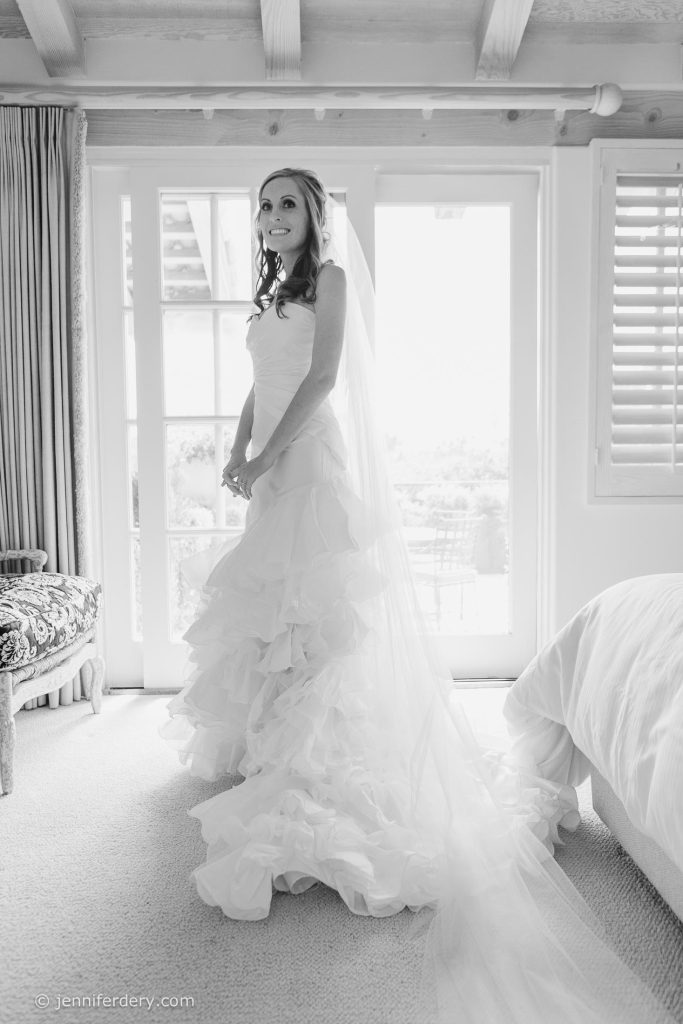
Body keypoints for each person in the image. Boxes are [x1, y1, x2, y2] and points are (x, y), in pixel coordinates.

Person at [159, 168, 676, 1024]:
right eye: (263, 205)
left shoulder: (326, 278)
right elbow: (266, 380)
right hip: (273, 460)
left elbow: (320, 380)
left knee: (318, 618)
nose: (271, 216)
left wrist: (263, 458)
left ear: (314, 218)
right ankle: (268, 745)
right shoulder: (269, 292)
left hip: (310, 465)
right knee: (269, 613)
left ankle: (316, 756)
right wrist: (239, 443)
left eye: (288, 204)